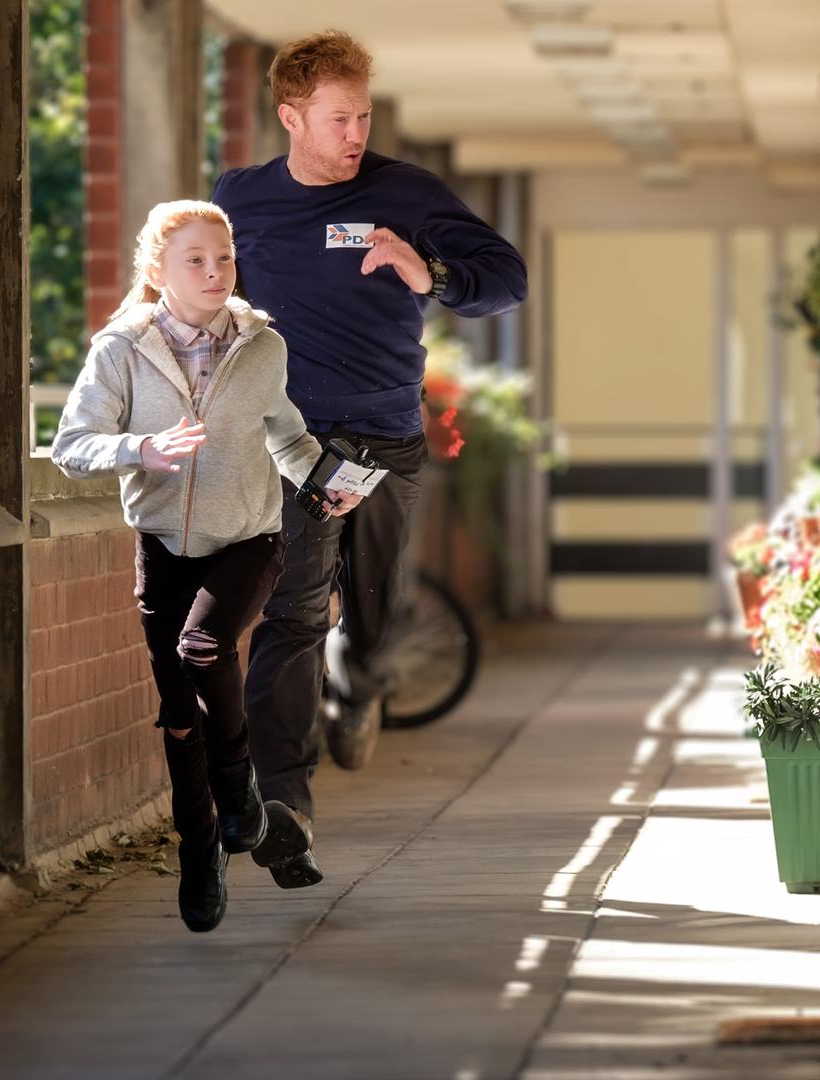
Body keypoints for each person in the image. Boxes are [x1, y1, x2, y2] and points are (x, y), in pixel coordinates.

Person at [213, 30, 528, 890]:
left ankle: (363, 679)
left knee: (375, 617)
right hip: (293, 446)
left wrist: (426, 272)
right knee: (293, 614)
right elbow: (194, 290)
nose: (355, 132)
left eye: (364, 116)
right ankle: (286, 804)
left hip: (385, 442)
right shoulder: (240, 199)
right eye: (339, 117)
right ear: (291, 116)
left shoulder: (405, 192)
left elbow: (506, 278)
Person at [50, 200, 359, 932]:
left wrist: (326, 482)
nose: (216, 272)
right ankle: (205, 849)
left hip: (249, 537)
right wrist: (139, 450)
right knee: (178, 715)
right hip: (161, 545)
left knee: (205, 648)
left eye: (223, 258)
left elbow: (286, 436)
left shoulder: (262, 347)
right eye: (196, 260)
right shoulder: (120, 350)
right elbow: (72, 444)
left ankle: (240, 800)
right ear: (157, 271)